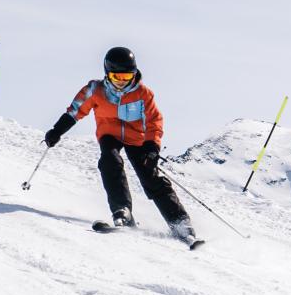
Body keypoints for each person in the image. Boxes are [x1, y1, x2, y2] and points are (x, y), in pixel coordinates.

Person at [44, 46, 200, 246]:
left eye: (127, 77)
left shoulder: (143, 93)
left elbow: (154, 121)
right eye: (117, 77)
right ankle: (122, 211)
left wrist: (153, 147)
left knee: (149, 175)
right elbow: (75, 111)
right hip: (109, 134)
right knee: (110, 161)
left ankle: (180, 223)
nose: (122, 82)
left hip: (138, 139)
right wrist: (57, 130)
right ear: (107, 74)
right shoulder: (95, 90)